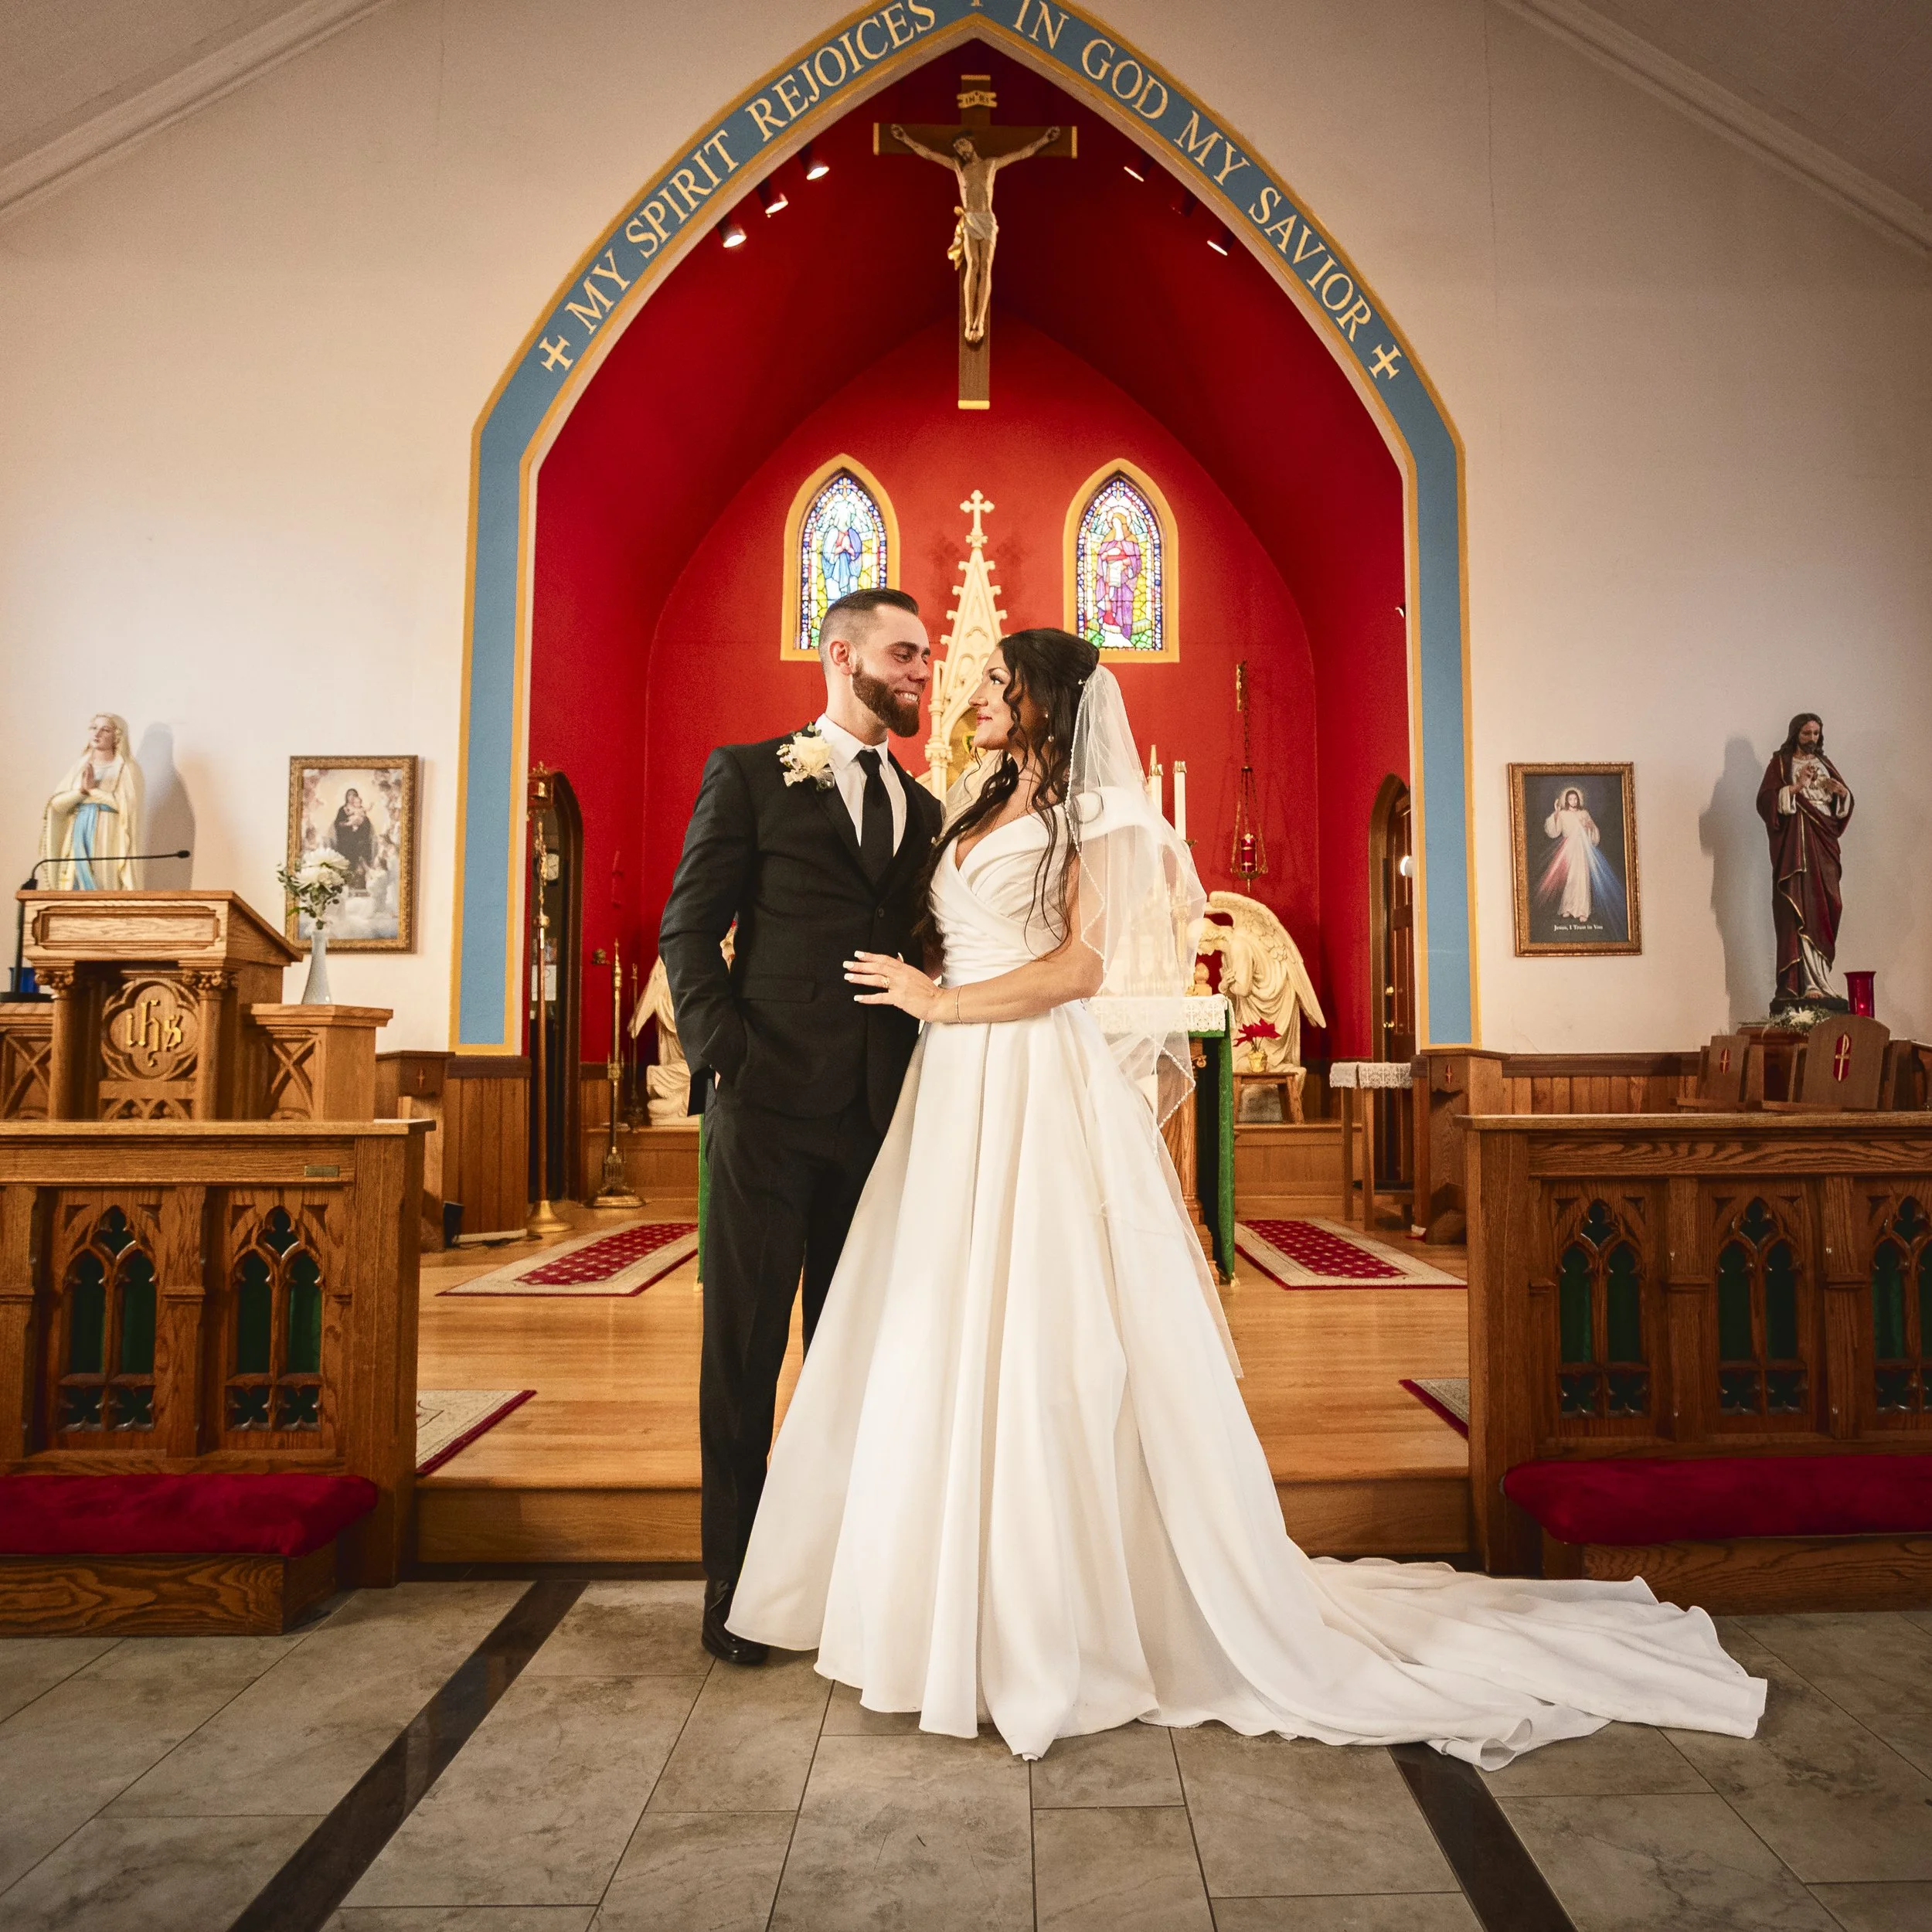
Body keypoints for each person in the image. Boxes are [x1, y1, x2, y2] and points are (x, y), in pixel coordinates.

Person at [727, 627, 1764, 1767]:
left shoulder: (1098, 818)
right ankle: (936, 1604)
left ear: (1045, 705)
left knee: (1045, 1340)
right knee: (939, 1328)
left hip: (1021, 1070)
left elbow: (1081, 968)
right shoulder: (970, 801)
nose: (974, 691)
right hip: (953, 1096)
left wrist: (944, 1004)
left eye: (999, 684)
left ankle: (1053, 1620)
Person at [659, 585, 943, 1666]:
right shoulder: (750, 774)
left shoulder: (922, 812)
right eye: (905, 654)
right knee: (741, 1352)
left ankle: (829, 1581)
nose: (923, 674)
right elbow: (690, 927)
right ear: (842, 655)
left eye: (925, 657)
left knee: (848, 1357)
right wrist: (727, 1053)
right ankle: (732, 1591)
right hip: (768, 1112)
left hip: (877, 1120)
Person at [1755, 713, 1853, 1009]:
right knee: (1799, 908)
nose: (1812, 739)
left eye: (1816, 734)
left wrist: (1842, 795)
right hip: (1796, 853)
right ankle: (1802, 983)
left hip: (1824, 847)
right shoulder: (1782, 764)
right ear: (1795, 733)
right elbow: (1765, 802)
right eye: (1807, 733)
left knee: (1828, 903)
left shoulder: (1826, 765)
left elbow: (1840, 808)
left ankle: (1822, 979)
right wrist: (1796, 788)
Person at [39, 713, 145, 890]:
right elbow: (57, 805)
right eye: (94, 728)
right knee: (74, 880)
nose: (98, 734)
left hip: (107, 830)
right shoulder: (81, 765)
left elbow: (128, 807)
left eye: (106, 730)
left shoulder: (126, 768)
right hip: (79, 828)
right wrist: (81, 792)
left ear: (117, 737)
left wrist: (94, 791)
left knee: (103, 878)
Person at [331, 788, 378, 889]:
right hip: (345, 840)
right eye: (349, 795)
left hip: (359, 839)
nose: (352, 797)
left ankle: (359, 882)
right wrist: (348, 825)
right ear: (346, 797)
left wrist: (361, 824)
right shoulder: (343, 809)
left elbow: (367, 825)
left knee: (362, 847)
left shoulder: (360, 809)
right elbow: (337, 824)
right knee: (346, 849)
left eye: (354, 795)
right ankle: (344, 882)